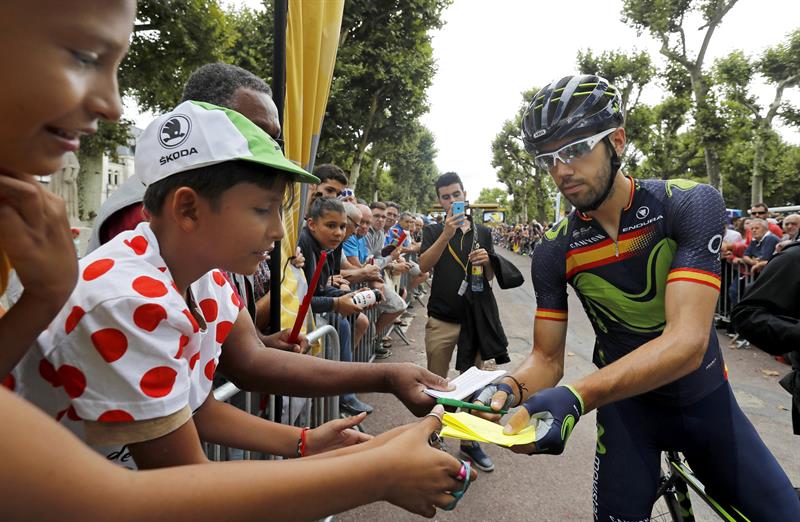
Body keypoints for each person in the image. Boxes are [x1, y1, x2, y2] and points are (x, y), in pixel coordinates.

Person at [0, 2, 476, 519]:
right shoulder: (129, 296)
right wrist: (375, 470)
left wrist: (306, 441)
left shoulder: (202, 272)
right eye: (261, 210)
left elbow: (199, 400)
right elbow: (186, 485)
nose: (277, 232)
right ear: (187, 207)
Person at [477, 74, 799, 519]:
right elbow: (546, 359)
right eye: (547, 158)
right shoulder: (556, 246)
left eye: (574, 149)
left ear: (618, 141)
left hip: (705, 402)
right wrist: (510, 386)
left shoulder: (686, 204)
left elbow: (686, 344)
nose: (561, 170)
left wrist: (577, 396)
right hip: (627, 417)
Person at [78, 62, 452, 420]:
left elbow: (239, 367)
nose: (270, 151)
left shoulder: (205, 273)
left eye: (276, 140)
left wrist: (375, 386)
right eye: (253, 135)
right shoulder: (132, 272)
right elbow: (178, 451)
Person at [418, 171, 499, 473]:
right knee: (435, 384)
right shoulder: (433, 230)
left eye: (456, 195)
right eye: (446, 196)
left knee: (473, 385)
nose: (452, 200)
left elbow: (490, 278)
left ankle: (469, 442)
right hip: (441, 319)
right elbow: (423, 267)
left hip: (475, 321)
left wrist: (487, 262)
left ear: (466, 195)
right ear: (439, 201)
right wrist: (445, 235)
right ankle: (433, 438)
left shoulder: (484, 233)